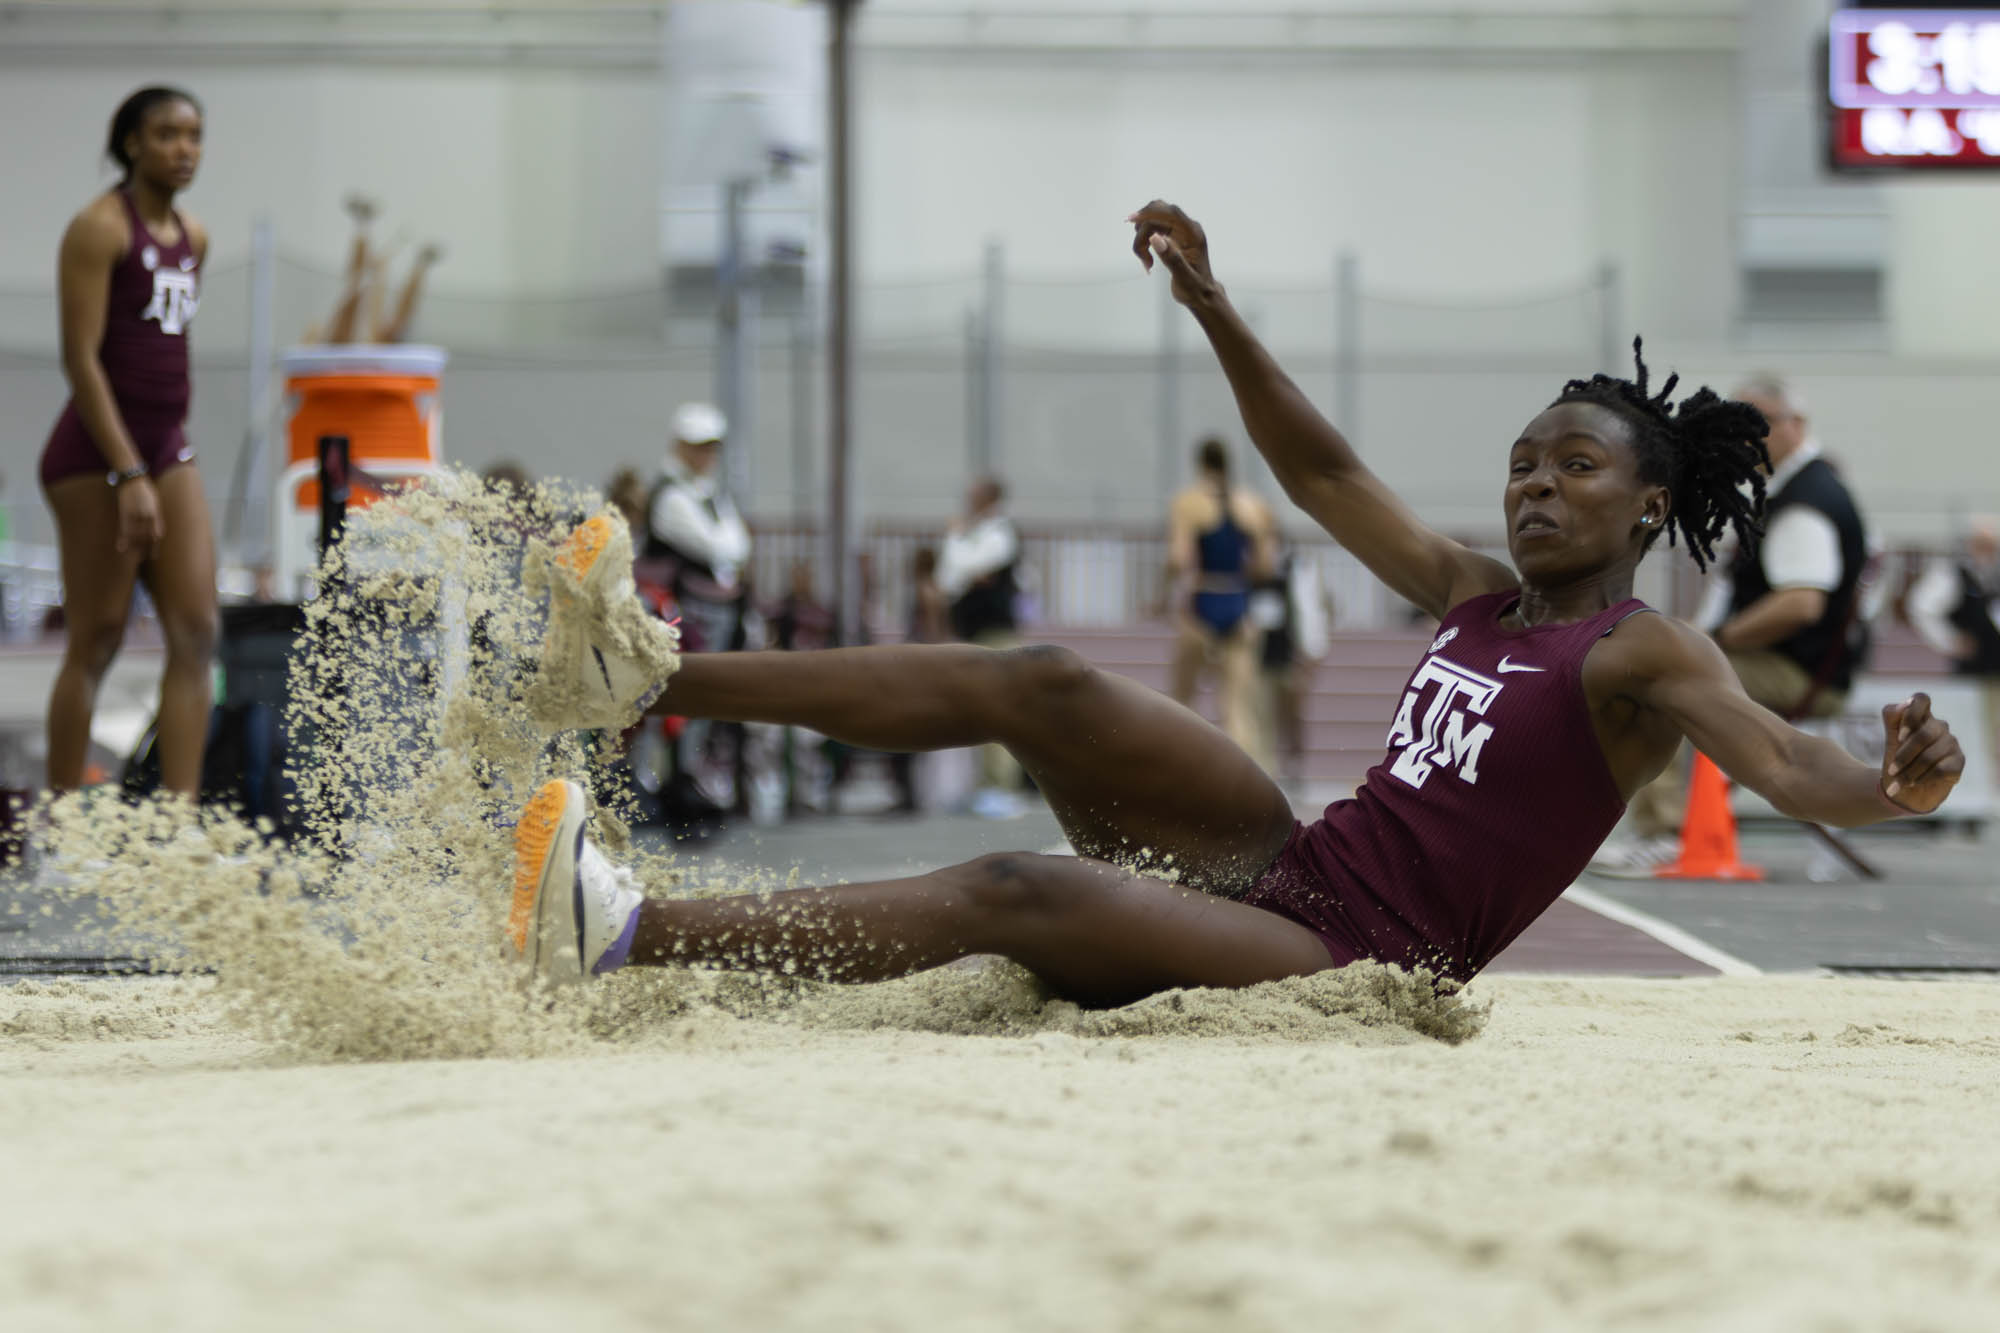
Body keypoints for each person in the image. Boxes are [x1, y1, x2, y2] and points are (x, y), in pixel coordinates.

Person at [504, 201, 1962, 1006]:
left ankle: (628, 934)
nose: (1532, 487)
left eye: (1573, 467)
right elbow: (1323, 470)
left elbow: (1781, 763)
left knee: (1027, 893)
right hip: (1287, 868)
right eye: (1520, 463)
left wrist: (1887, 789)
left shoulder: (1641, 649)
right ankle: (641, 677)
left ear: (1647, 505)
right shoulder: (1474, 593)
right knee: (1050, 679)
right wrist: (1216, 310)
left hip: (1354, 957)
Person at [1594, 372, 1874, 873]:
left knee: (1669, 681)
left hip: (1799, 669)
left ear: (1797, 424)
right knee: (1670, 668)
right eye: (1737, 424)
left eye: (1760, 421)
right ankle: (1662, 825)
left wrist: (1713, 641)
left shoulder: (1805, 503)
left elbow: (1800, 605)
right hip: (1790, 661)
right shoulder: (1794, 491)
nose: (1748, 436)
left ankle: (1666, 833)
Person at [39, 87, 217, 799]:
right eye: (168, 134)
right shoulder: (99, 229)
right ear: (132, 144)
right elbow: (82, 360)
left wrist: (154, 461)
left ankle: (178, 829)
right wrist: (127, 472)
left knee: (199, 630)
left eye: (195, 135)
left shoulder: (195, 237)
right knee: (99, 636)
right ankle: (56, 826)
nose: (184, 148)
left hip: (166, 446)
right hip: (94, 457)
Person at [645, 402, 754, 811]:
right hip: (679, 616)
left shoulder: (705, 494)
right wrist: (726, 547)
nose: (706, 456)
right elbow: (719, 545)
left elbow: (738, 545)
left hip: (709, 615)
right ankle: (662, 783)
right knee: (671, 700)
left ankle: (683, 779)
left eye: (711, 448)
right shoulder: (672, 495)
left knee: (700, 700)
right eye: (698, 447)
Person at [1167, 436, 1278, 769]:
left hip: (1203, 600)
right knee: (1237, 703)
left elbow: (1177, 559)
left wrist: (1164, 594)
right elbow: (1265, 567)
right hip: (1239, 601)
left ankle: (1175, 765)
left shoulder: (1188, 502)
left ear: (1200, 464)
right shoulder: (1252, 504)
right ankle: (1250, 776)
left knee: (1184, 696)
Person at [936, 477, 1028, 818]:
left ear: (989, 498)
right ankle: (984, 784)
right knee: (978, 710)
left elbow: (969, 568)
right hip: (973, 633)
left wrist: (962, 554)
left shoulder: (1001, 531)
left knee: (998, 708)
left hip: (995, 633)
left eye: (973, 495)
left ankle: (1002, 786)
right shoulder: (975, 532)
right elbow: (949, 577)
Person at [1907, 518, 2000, 763]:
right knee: (1971, 726)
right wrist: (1951, 641)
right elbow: (1922, 608)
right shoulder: (1954, 573)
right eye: (1983, 545)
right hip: (1973, 669)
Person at [307, 194, 444, 346]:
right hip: (346, 340)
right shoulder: (333, 332)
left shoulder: (383, 330)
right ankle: (363, 227)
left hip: (372, 341)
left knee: (374, 298)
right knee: (355, 290)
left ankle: (419, 267)